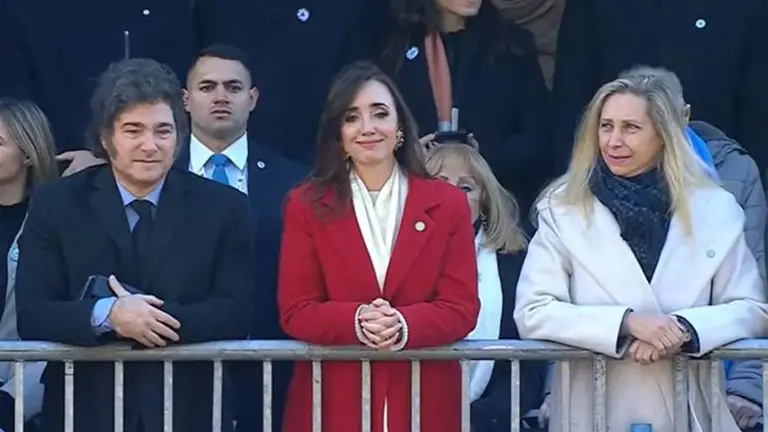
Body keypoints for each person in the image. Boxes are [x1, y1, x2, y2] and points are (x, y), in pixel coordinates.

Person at [514, 73, 768, 431]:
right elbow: (533, 310)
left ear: (663, 135)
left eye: (630, 128)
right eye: (605, 127)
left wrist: (683, 330)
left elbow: (751, 308)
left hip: (688, 411)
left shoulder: (715, 208)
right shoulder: (562, 209)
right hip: (591, 412)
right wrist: (627, 324)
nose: (613, 141)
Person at [14, 58, 255, 432]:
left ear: (179, 136)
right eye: (133, 130)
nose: (150, 145)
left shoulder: (224, 207)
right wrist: (109, 315)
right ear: (106, 139)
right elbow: (33, 314)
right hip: (86, 412)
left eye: (163, 130)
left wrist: (149, 322)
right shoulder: (56, 204)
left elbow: (236, 311)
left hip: (190, 412)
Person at [277, 61, 480, 432]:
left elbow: (461, 307)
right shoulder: (305, 204)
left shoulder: (447, 203)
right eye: (352, 117)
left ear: (400, 128)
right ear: (338, 133)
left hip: (425, 404)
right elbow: (296, 309)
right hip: (333, 405)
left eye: (380, 113)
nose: (367, 128)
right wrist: (356, 321)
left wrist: (404, 324)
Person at [176, 44, 306, 432]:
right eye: (207, 87)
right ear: (185, 99)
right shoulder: (155, 175)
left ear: (252, 99)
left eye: (233, 87)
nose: (220, 96)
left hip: (269, 370)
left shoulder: (294, 181)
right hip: (177, 367)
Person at [551, 0, 768, 177]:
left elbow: (756, 109)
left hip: (711, 173)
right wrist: (574, 176)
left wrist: (747, 180)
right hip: (609, 177)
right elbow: (572, 99)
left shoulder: (747, 8)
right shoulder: (593, 7)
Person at [380, 0, 552, 214]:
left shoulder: (512, 46)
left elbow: (538, 137)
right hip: (409, 207)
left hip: (496, 211)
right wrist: (410, 154)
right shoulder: (391, 46)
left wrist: (480, 158)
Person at [425, 141, 546, 431]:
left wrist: (477, 419)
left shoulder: (515, 263)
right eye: (439, 183)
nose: (452, 195)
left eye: (466, 188)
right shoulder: (391, 256)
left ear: (484, 203)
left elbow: (529, 363)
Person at [194, 0, 389, 166]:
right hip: (234, 161)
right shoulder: (218, 8)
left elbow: (359, 85)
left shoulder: (350, 10)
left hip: (318, 161)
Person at [0, 0, 196, 154]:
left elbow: (174, 90)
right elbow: (15, 98)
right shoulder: (21, 9)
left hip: (141, 156)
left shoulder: (165, 6)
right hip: (51, 162)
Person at [0, 99, 59, 432]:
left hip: (22, 405)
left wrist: (10, 403)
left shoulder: (58, 223)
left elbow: (59, 321)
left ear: (27, 154)